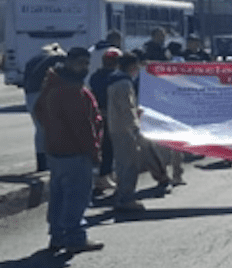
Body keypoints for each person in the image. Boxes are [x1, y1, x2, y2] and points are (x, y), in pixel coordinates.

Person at [34, 47, 104, 254]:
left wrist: (51, 129)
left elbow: (39, 110)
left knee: (59, 196)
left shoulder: (52, 83)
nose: (83, 67)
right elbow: (82, 126)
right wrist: (94, 151)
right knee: (77, 197)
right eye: (80, 62)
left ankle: (57, 237)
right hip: (75, 150)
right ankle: (75, 237)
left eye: (86, 63)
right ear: (69, 62)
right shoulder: (71, 89)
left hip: (56, 149)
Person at [108, 52, 171, 212]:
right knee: (129, 164)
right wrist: (135, 128)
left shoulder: (113, 79)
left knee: (123, 163)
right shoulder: (124, 83)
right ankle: (126, 199)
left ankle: (122, 194)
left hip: (116, 127)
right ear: (131, 66)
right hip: (127, 128)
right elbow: (127, 109)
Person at [23, 43, 67, 172]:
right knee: (49, 128)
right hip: (42, 93)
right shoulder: (53, 58)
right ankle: (49, 160)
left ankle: (42, 162)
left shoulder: (32, 60)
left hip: (30, 95)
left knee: (39, 128)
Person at [88, 47, 122, 194]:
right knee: (111, 149)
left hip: (99, 114)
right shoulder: (117, 77)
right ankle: (104, 177)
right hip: (114, 116)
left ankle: (103, 177)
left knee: (103, 148)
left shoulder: (95, 76)